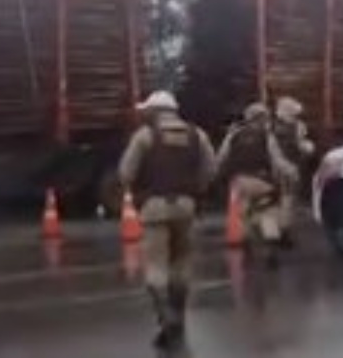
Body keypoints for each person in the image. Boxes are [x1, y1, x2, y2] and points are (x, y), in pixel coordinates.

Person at [118, 90, 216, 351]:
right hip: (187, 207)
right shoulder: (198, 135)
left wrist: (138, 189)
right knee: (182, 263)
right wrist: (195, 190)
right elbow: (210, 169)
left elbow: (126, 173)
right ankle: (178, 319)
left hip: (154, 209)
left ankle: (165, 316)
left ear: (154, 112)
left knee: (156, 266)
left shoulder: (145, 137)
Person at [217, 102, 298, 267]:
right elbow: (277, 160)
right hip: (262, 181)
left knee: (245, 215)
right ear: (263, 118)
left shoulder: (234, 135)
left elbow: (221, 157)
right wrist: (291, 171)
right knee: (268, 213)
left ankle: (247, 250)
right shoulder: (266, 136)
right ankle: (270, 248)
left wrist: (218, 176)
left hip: (239, 182)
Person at [272, 96, 315, 247]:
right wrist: (308, 147)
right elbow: (302, 146)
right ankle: (283, 234)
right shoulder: (298, 126)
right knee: (287, 201)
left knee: (275, 202)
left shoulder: (272, 126)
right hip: (290, 167)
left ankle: (273, 233)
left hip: (273, 168)